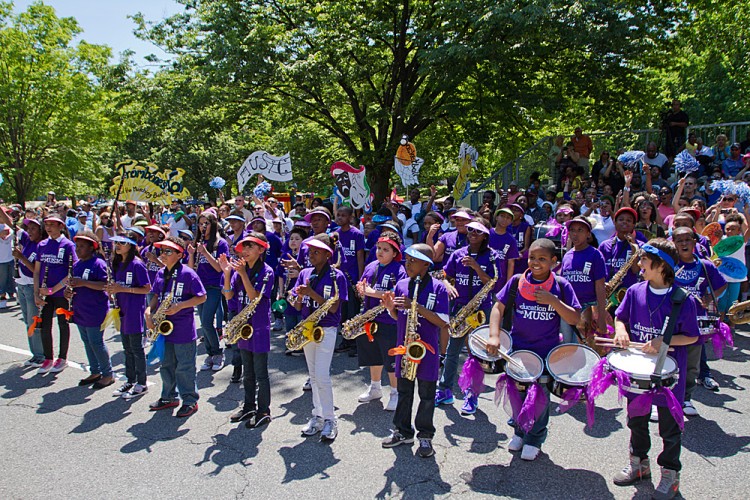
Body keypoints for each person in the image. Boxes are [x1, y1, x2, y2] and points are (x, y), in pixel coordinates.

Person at [612, 239, 699, 499]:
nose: (639, 265)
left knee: (669, 428)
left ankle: (670, 474)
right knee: (636, 421)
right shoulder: (635, 291)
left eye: (644, 261)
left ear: (661, 266)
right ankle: (639, 464)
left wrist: (665, 341)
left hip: (668, 375)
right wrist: (620, 331)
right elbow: (620, 317)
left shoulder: (682, 300)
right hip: (638, 371)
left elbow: (692, 337)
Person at [487, 238, 581, 461]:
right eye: (532, 257)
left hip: (546, 353)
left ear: (554, 261)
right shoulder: (517, 281)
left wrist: (553, 301)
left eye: (542, 259)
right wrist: (493, 335)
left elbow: (574, 317)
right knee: (518, 393)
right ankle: (520, 431)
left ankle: (535, 438)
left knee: (539, 396)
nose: (535, 262)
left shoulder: (561, 285)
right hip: (519, 351)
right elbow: (498, 308)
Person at [381, 244, 449, 458]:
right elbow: (397, 318)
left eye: (413, 260)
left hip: (426, 351)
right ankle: (402, 431)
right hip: (404, 348)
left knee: (427, 395)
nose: (408, 264)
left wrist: (415, 307)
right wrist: (391, 308)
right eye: (407, 259)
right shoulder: (401, 285)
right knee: (404, 391)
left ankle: (425, 436)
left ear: (426, 265)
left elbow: (443, 322)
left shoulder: (439, 288)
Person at [437, 221, 499, 414]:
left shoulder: (492, 256)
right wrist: (447, 284)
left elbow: (493, 284)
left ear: (485, 236)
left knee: (476, 354)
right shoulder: (457, 253)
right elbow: (443, 274)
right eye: (470, 230)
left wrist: (476, 267)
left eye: (477, 231)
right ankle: (445, 389)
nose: (472, 233)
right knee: (452, 350)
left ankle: (472, 395)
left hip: (481, 310)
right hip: (460, 307)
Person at [290, 234, 348, 441]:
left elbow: (333, 307)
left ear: (327, 254)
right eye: (310, 251)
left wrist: (310, 293)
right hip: (308, 327)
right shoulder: (305, 273)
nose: (311, 255)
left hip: (327, 328)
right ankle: (317, 415)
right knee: (313, 376)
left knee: (322, 375)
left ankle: (330, 419)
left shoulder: (336, 276)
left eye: (316, 252)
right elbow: (297, 305)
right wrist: (296, 296)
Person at [146, 236, 207, 417]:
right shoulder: (161, 273)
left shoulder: (188, 274)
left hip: (183, 329)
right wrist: (149, 311)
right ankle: (169, 396)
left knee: (185, 367)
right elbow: (156, 295)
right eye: (162, 251)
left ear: (180, 254)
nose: (162, 255)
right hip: (165, 328)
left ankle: (190, 400)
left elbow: (202, 297)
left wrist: (180, 306)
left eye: (168, 251)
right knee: (167, 365)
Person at [220, 233, 275, 428]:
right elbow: (228, 297)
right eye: (244, 247)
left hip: (258, 327)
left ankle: (263, 410)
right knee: (248, 372)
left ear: (261, 250)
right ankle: (249, 406)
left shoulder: (267, 271)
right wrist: (227, 274)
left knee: (260, 372)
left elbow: (254, 297)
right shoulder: (238, 271)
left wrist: (242, 274)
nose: (245, 250)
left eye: (250, 247)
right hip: (244, 327)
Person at [672, 227, 726, 416]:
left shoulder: (705, 265)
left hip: (695, 322)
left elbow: (721, 285)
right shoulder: (669, 264)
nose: (684, 243)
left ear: (695, 242)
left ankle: (686, 398)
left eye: (688, 239)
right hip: (671, 320)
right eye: (679, 240)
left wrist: (709, 298)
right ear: (674, 243)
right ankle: (661, 398)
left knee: (692, 364)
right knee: (666, 359)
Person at [354, 231, 407, 411]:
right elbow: (363, 285)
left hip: (388, 321)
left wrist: (370, 292)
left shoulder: (399, 270)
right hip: (370, 317)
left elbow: (396, 294)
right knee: (373, 355)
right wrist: (361, 289)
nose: (380, 252)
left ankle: (395, 392)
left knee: (391, 359)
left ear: (394, 253)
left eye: (385, 249)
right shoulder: (371, 266)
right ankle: (375, 387)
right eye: (378, 248)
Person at [65, 231, 114, 389]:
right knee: (87, 341)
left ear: (92, 248)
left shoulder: (98, 264)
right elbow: (74, 284)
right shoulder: (77, 265)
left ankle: (108, 374)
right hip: (80, 309)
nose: (78, 249)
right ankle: (95, 371)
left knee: (96, 342)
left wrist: (84, 283)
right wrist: (68, 292)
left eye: (82, 247)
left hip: (95, 310)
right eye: (77, 246)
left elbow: (105, 286)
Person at [107, 233, 152, 399]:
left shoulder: (137, 264)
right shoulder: (118, 263)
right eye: (116, 243)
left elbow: (147, 288)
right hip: (122, 309)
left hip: (134, 311)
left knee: (136, 348)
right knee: (126, 348)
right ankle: (130, 379)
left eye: (122, 243)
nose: (117, 246)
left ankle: (142, 382)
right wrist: (113, 291)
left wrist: (123, 289)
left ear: (131, 246)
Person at [34, 216, 78, 374]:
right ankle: (48, 357)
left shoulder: (68, 245)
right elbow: (37, 271)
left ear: (61, 226)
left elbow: (72, 271)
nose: (49, 227)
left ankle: (62, 357)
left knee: (62, 324)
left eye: (52, 224)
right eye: (46, 224)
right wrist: (36, 293)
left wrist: (54, 289)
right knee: (45, 326)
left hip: (61, 294)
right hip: (45, 293)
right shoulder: (42, 244)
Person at [189, 212, 229, 372]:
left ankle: (218, 353)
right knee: (204, 324)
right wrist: (192, 254)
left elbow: (219, 268)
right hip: (199, 286)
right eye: (200, 223)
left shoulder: (221, 243)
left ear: (213, 224)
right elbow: (191, 269)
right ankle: (210, 353)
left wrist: (205, 252)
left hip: (213, 286)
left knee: (206, 321)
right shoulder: (198, 242)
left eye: (206, 223)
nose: (203, 226)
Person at [559, 217, 608, 343]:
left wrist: (601, 318)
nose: (575, 234)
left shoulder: (595, 255)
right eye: (572, 230)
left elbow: (600, 287)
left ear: (588, 234)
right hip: (568, 310)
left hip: (588, 311)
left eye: (580, 230)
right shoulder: (567, 256)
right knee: (567, 346)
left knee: (585, 349)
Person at [11, 217, 47, 366]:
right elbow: (8, 222)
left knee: (34, 322)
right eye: (28, 228)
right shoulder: (27, 241)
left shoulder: (41, 246)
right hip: (21, 285)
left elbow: (36, 271)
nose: (29, 231)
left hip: (32, 286)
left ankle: (41, 355)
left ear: (40, 230)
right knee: (27, 321)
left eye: (33, 228)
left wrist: (22, 258)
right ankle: (35, 354)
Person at [489, 208, 520, 287]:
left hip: (500, 279)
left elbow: (511, 263)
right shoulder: (487, 234)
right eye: (502, 216)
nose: (505, 219)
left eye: (508, 218)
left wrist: (507, 284)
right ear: (496, 217)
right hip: (485, 274)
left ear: (511, 221)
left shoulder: (511, 240)